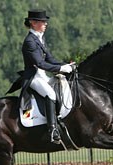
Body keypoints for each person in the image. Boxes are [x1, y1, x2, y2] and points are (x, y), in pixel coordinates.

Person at [21, 9, 73, 144]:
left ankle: (59, 119)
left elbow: (50, 58)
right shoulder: (30, 41)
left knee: (60, 88)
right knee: (51, 94)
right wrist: (61, 68)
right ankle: (52, 130)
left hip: (42, 75)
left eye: (45, 22)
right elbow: (39, 63)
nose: (45, 24)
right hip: (33, 77)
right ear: (33, 23)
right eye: (42, 22)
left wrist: (67, 65)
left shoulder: (40, 38)